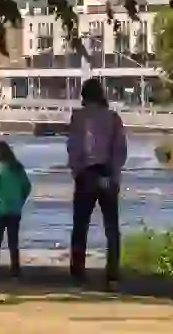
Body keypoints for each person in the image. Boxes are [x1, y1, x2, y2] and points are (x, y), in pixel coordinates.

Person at [67, 78, 128, 288]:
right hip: (107, 172)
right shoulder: (113, 118)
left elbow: (74, 147)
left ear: (84, 96)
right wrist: (114, 175)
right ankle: (112, 275)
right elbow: (120, 150)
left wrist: (77, 171)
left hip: (86, 174)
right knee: (111, 228)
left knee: (80, 225)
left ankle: (77, 272)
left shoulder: (78, 117)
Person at [0, 140, 32, 277]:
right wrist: (21, 200)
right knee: (13, 241)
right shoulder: (18, 167)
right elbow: (27, 187)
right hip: (15, 210)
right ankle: (15, 268)